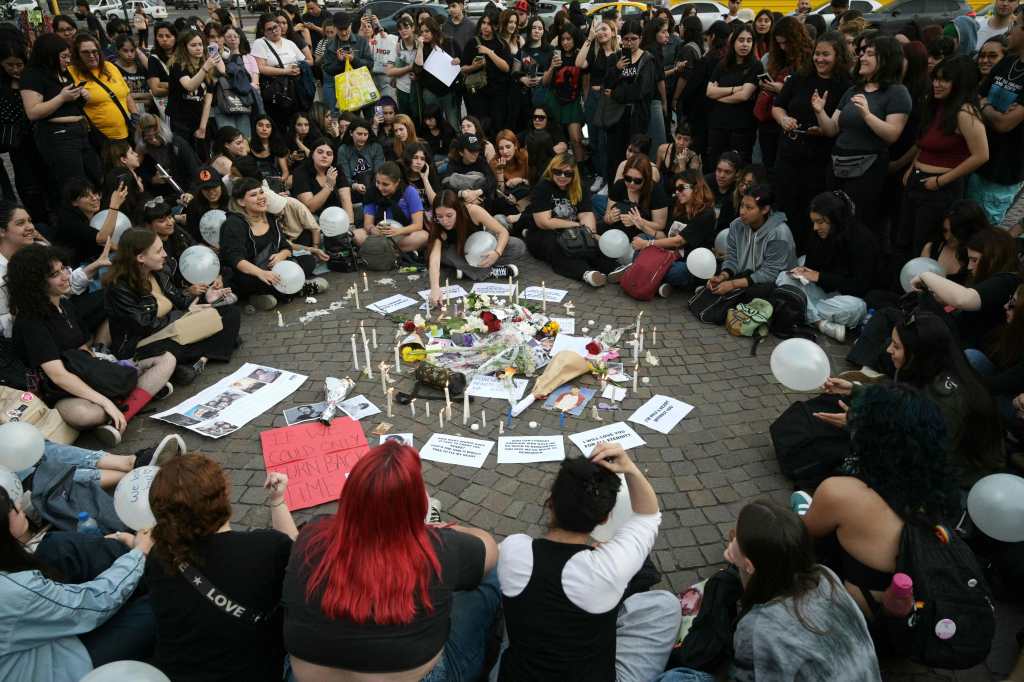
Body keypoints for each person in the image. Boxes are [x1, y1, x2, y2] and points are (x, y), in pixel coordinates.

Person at [282, 440, 500, 682]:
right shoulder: (440, 548)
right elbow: (489, 549)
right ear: (417, 504)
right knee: (492, 578)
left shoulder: (311, 536)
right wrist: (440, 529)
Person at [497, 442, 680, 680]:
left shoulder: (513, 551)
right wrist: (630, 469)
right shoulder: (608, 568)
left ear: (550, 503)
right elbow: (648, 515)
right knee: (665, 604)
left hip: (516, 674)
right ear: (605, 519)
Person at [146, 453, 296, 681]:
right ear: (224, 495)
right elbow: (300, 559)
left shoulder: (159, 557)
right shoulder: (265, 548)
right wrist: (277, 500)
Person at [8, 244, 176, 445]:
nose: (65, 276)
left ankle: (120, 413)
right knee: (85, 414)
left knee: (167, 360)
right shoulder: (31, 321)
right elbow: (58, 376)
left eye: (64, 268)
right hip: (60, 391)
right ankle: (132, 400)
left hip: (89, 374)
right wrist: (104, 400)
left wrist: (107, 367)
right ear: (36, 283)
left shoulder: (65, 304)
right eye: (55, 274)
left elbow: (83, 349)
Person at [0, 486, 156, 682]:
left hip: (41, 640)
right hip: (64, 665)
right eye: (8, 506)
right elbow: (93, 603)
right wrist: (139, 553)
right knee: (156, 604)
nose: (17, 504)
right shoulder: (12, 592)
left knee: (57, 547)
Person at [104, 228, 240, 385]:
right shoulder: (119, 288)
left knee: (230, 313)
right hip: (143, 344)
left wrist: (207, 298)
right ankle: (214, 348)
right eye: (158, 251)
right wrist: (185, 315)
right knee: (173, 348)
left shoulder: (159, 271)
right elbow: (145, 325)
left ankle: (200, 359)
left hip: (174, 327)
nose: (165, 255)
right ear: (141, 257)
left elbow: (179, 300)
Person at [813, 35, 912, 228]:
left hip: (867, 170)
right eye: (862, 53)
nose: (862, 58)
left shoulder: (897, 92)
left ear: (886, 59)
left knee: (857, 223)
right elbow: (831, 129)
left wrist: (867, 115)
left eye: (870, 54)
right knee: (833, 220)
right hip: (837, 165)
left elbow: (892, 134)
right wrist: (820, 112)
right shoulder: (853, 90)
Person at [897, 56, 988, 260]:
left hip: (940, 189)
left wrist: (941, 181)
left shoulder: (965, 112)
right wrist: (912, 168)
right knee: (903, 239)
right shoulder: (938, 106)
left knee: (923, 245)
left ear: (959, 83)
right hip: (917, 181)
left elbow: (981, 155)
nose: (937, 84)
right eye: (935, 79)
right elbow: (925, 143)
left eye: (944, 80)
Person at [773, 30, 853, 250]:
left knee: (812, 214)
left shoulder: (846, 85)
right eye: (817, 53)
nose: (819, 59)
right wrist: (784, 120)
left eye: (826, 54)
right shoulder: (800, 77)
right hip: (789, 156)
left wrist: (824, 126)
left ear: (838, 56)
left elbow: (842, 125)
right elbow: (777, 105)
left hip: (819, 161)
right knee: (785, 209)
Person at [776, 191, 877, 341]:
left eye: (821, 222)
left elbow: (860, 286)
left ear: (836, 219)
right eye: (814, 222)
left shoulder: (862, 239)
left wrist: (819, 276)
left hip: (843, 298)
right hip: (820, 295)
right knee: (784, 277)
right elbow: (811, 268)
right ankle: (820, 323)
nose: (816, 228)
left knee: (857, 309)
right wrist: (802, 272)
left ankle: (800, 310)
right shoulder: (817, 235)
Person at [911, 227, 1022, 350]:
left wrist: (925, 275)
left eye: (974, 260)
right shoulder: (995, 278)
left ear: (993, 257)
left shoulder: (1008, 280)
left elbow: (964, 299)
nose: (969, 266)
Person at [612, 169, 718, 297]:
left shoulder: (706, 214)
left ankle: (637, 272)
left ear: (696, 188)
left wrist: (647, 244)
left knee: (679, 271)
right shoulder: (679, 207)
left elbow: (679, 240)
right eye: (676, 189)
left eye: (681, 188)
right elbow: (664, 236)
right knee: (642, 236)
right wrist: (642, 225)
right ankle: (655, 281)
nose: (677, 192)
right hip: (666, 255)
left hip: (685, 262)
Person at [221, 178, 322, 311]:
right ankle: (286, 291)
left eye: (261, 192)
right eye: (253, 195)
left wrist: (281, 255)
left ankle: (279, 292)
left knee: (308, 260)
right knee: (252, 281)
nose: (260, 197)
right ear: (241, 202)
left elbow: (286, 246)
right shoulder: (233, 224)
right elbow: (235, 259)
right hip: (250, 273)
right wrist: (261, 273)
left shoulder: (270, 217)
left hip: (272, 268)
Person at [523, 153, 618, 287]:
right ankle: (586, 273)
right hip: (543, 233)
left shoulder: (580, 187)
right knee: (558, 246)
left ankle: (614, 269)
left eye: (568, 174)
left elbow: (586, 214)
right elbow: (544, 222)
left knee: (589, 242)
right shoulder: (543, 187)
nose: (562, 176)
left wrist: (589, 233)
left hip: (573, 230)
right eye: (558, 172)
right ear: (551, 170)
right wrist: (576, 225)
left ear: (574, 175)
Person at [20, 33, 100, 188]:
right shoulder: (32, 75)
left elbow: (69, 104)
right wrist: (61, 98)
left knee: (96, 176)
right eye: (63, 56)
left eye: (68, 56)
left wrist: (81, 95)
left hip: (80, 130)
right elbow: (32, 112)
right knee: (76, 185)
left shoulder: (62, 72)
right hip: (58, 135)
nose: (67, 60)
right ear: (49, 55)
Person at [969, 5, 1024, 225]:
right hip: (977, 160)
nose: (1010, 31)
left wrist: (987, 105)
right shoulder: (1007, 62)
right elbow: (976, 97)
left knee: (982, 232)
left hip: (1003, 171)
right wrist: (991, 108)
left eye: (1016, 25)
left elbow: (1005, 124)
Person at [427, 190, 524, 302]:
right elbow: (434, 258)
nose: (444, 221)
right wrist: (435, 288)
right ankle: (492, 271)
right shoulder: (437, 225)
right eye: (439, 216)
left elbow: (503, 232)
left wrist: (497, 253)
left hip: (479, 248)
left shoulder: (473, 211)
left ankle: (468, 271)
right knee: (446, 255)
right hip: (458, 253)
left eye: (449, 215)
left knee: (517, 246)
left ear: (458, 210)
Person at [707, 184, 797, 302]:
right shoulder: (737, 225)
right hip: (746, 275)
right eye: (742, 205)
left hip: (773, 282)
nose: (742, 212)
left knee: (756, 293)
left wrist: (733, 284)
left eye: (749, 208)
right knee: (714, 274)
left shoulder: (779, 233)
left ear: (765, 209)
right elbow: (732, 257)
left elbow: (771, 273)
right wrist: (723, 276)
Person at [604, 20, 659, 184]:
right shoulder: (616, 57)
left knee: (635, 152)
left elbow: (641, 90)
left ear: (640, 38)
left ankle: (634, 184)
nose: (629, 43)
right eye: (626, 39)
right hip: (616, 114)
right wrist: (616, 69)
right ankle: (614, 184)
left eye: (633, 39)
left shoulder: (647, 60)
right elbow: (606, 85)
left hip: (637, 114)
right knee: (614, 151)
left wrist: (616, 93)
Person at [705, 24, 766, 166]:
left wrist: (719, 95)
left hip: (741, 127)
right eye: (741, 40)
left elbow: (744, 96)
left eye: (749, 40)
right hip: (718, 124)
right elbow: (709, 92)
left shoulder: (755, 65)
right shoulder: (723, 64)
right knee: (716, 164)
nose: (745, 44)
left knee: (738, 167)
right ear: (733, 42)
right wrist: (735, 89)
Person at [68, 33, 137, 143]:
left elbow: (127, 94)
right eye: (85, 52)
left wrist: (135, 115)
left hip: (127, 131)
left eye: (94, 51)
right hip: (100, 138)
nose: (91, 55)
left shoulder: (110, 66)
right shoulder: (70, 72)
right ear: (77, 54)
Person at [577, 18, 618, 192]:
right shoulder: (594, 52)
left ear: (613, 32)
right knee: (593, 139)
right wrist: (589, 38)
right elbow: (579, 64)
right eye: (599, 30)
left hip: (610, 100)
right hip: (594, 98)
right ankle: (599, 175)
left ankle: (608, 177)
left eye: (605, 29)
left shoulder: (620, 54)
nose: (601, 32)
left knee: (606, 140)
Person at [356, 161, 429, 254]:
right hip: (378, 237)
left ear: (397, 182)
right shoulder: (372, 192)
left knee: (423, 236)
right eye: (377, 182)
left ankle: (381, 252)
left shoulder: (409, 191)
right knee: (357, 235)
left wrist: (397, 231)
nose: (380, 188)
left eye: (385, 184)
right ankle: (396, 252)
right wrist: (373, 230)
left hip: (403, 235)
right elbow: (368, 224)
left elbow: (418, 225)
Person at [167, 30, 220, 157]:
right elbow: (189, 86)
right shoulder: (177, 65)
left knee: (203, 156)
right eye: (193, 45)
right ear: (185, 47)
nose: (198, 48)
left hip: (198, 118)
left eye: (200, 44)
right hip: (180, 119)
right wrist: (205, 68)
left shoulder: (205, 65)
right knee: (184, 156)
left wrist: (202, 126)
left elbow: (208, 100)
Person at [53, 177, 127, 266]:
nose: (95, 198)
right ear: (74, 202)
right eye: (86, 196)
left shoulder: (97, 214)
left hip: (95, 261)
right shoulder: (69, 222)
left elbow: (108, 243)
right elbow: (102, 239)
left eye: (95, 193)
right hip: (76, 269)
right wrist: (114, 206)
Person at [252, 13, 305, 131]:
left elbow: (303, 61)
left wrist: (296, 68)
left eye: (275, 27)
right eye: (269, 29)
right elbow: (260, 67)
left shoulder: (289, 43)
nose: (274, 31)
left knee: (295, 123)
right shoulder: (260, 43)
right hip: (275, 91)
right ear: (264, 32)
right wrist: (285, 71)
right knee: (278, 125)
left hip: (293, 89)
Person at [461, 12, 512, 135]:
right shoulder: (473, 43)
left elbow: (506, 68)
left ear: (495, 26)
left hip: (498, 93)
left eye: (489, 24)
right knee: (479, 126)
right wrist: (474, 66)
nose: (485, 26)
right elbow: (462, 68)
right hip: (478, 92)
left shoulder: (501, 44)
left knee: (497, 125)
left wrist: (489, 52)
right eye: (483, 23)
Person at [135, 113, 202, 203]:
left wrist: (191, 192)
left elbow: (194, 169)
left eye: (156, 136)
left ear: (162, 132)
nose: (153, 140)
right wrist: (152, 180)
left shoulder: (177, 144)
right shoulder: (144, 149)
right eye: (149, 138)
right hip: (163, 193)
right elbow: (140, 171)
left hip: (185, 188)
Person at [920, 199, 989, 285]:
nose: (948, 237)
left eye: (955, 232)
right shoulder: (931, 249)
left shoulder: (980, 256)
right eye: (945, 231)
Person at [603, 154, 670, 241]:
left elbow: (660, 225)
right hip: (619, 230)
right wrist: (610, 218)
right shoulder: (620, 185)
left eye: (637, 181)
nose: (631, 183)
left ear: (646, 179)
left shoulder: (656, 191)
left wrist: (637, 221)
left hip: (642, 233)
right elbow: (606, 217)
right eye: (627, 178)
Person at [543, 25, 585, 162]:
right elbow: (545, 82)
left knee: (576, 139)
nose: (565, 42)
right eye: (563, 39)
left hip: (573, 102)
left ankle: (580, 170)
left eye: (569, 39)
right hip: (555, 100)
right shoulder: (555, 54)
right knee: (556, 139)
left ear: (575, 39)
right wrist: (552, 67)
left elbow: (586, 81)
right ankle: (556, 168)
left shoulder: (580, 55)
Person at [321, 12, 373, 114]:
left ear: (351, 25)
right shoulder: (330, 45)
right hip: (346, 92)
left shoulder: (361, 41)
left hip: (364, 87)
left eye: (346, 29)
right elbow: (328, 69)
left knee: (370, 119)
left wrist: (354, 59)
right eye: (341, 30)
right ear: (335, 28)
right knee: (350, 121)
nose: (344, 33)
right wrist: (339, 62)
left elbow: (370, 64)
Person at [415, 18, 462, 131]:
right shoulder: (423, 47)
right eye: (421, 32)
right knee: (434, 123)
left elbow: (462, 58)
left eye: (427, 31)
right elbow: (417, 68)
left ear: (434, 30)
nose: (424, 34)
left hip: (448, 91)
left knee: (453, 122)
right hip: (430, 92)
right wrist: (420, 47)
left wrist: (458, 60)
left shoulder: (449, 42)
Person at [292, 139, 355, 221]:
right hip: (311, 218)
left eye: (329, 154)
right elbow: (311, 207)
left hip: (337, 215)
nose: (324, 156)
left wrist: (350, 225)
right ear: (312, 154)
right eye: (320, 152)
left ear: (333, 158)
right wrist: (329, 185)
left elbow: (346, 200)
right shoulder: (301, 172)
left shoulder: (337, 170)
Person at [337, 118, 384, 205]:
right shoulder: (343, 150)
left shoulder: (376, 147)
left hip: (375, 187)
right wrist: (354, 185)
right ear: (351, 133)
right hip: (352, 190)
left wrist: (372, 187)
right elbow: (344, 175)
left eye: (365, 134)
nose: (362, 138)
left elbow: (379, 171)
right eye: (359, 134)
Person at [111, 34, 151, 113]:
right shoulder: (113, 68)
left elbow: (153, 95)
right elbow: (119, 98)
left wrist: (132, 96)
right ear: (118, 50)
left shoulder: (141, 66)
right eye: (125, 51)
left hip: (149, 111)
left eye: (132, 51)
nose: (129, 54)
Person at [146, 21, 176, 118]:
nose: (164, 39)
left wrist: (164, 84)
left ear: (175, 37)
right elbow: (155, 90)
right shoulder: (154, 58)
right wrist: (178, 88)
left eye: (168, 36)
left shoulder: (182, 55)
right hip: (165, 108)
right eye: (160, 36)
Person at [249, 115, 291, 184]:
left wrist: (281, 179)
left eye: (268, 126)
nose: (264, 129)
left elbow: (285, 172)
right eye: (260, 125)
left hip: (274, 182)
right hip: (255, 184)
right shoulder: (248, 145)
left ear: (272, 129)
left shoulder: (278, 145)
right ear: (255, 128)